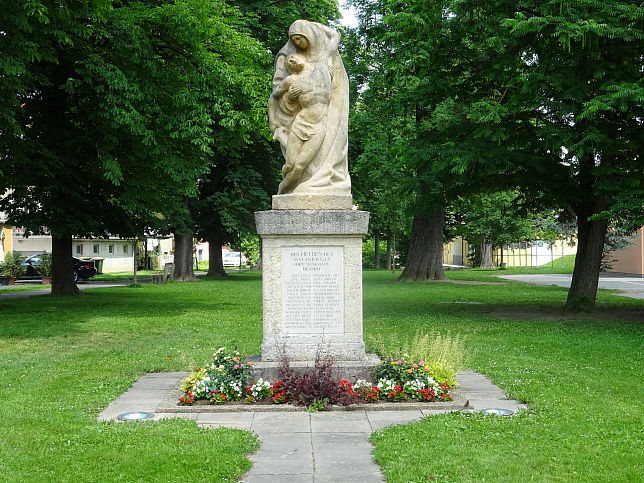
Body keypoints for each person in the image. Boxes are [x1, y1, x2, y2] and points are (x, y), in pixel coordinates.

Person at [268, 20, 351, 196]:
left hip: (320, 125)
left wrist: (314, 26)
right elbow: (275, 97)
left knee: (301, 165)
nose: (297, 46)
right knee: (291, 165)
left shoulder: (321, 62)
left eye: (300, 38)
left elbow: (335, 35)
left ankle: (294, 187)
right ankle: (285, 189)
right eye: (294, 41)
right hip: (300, 123)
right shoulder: (292, 80)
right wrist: (288, 99)